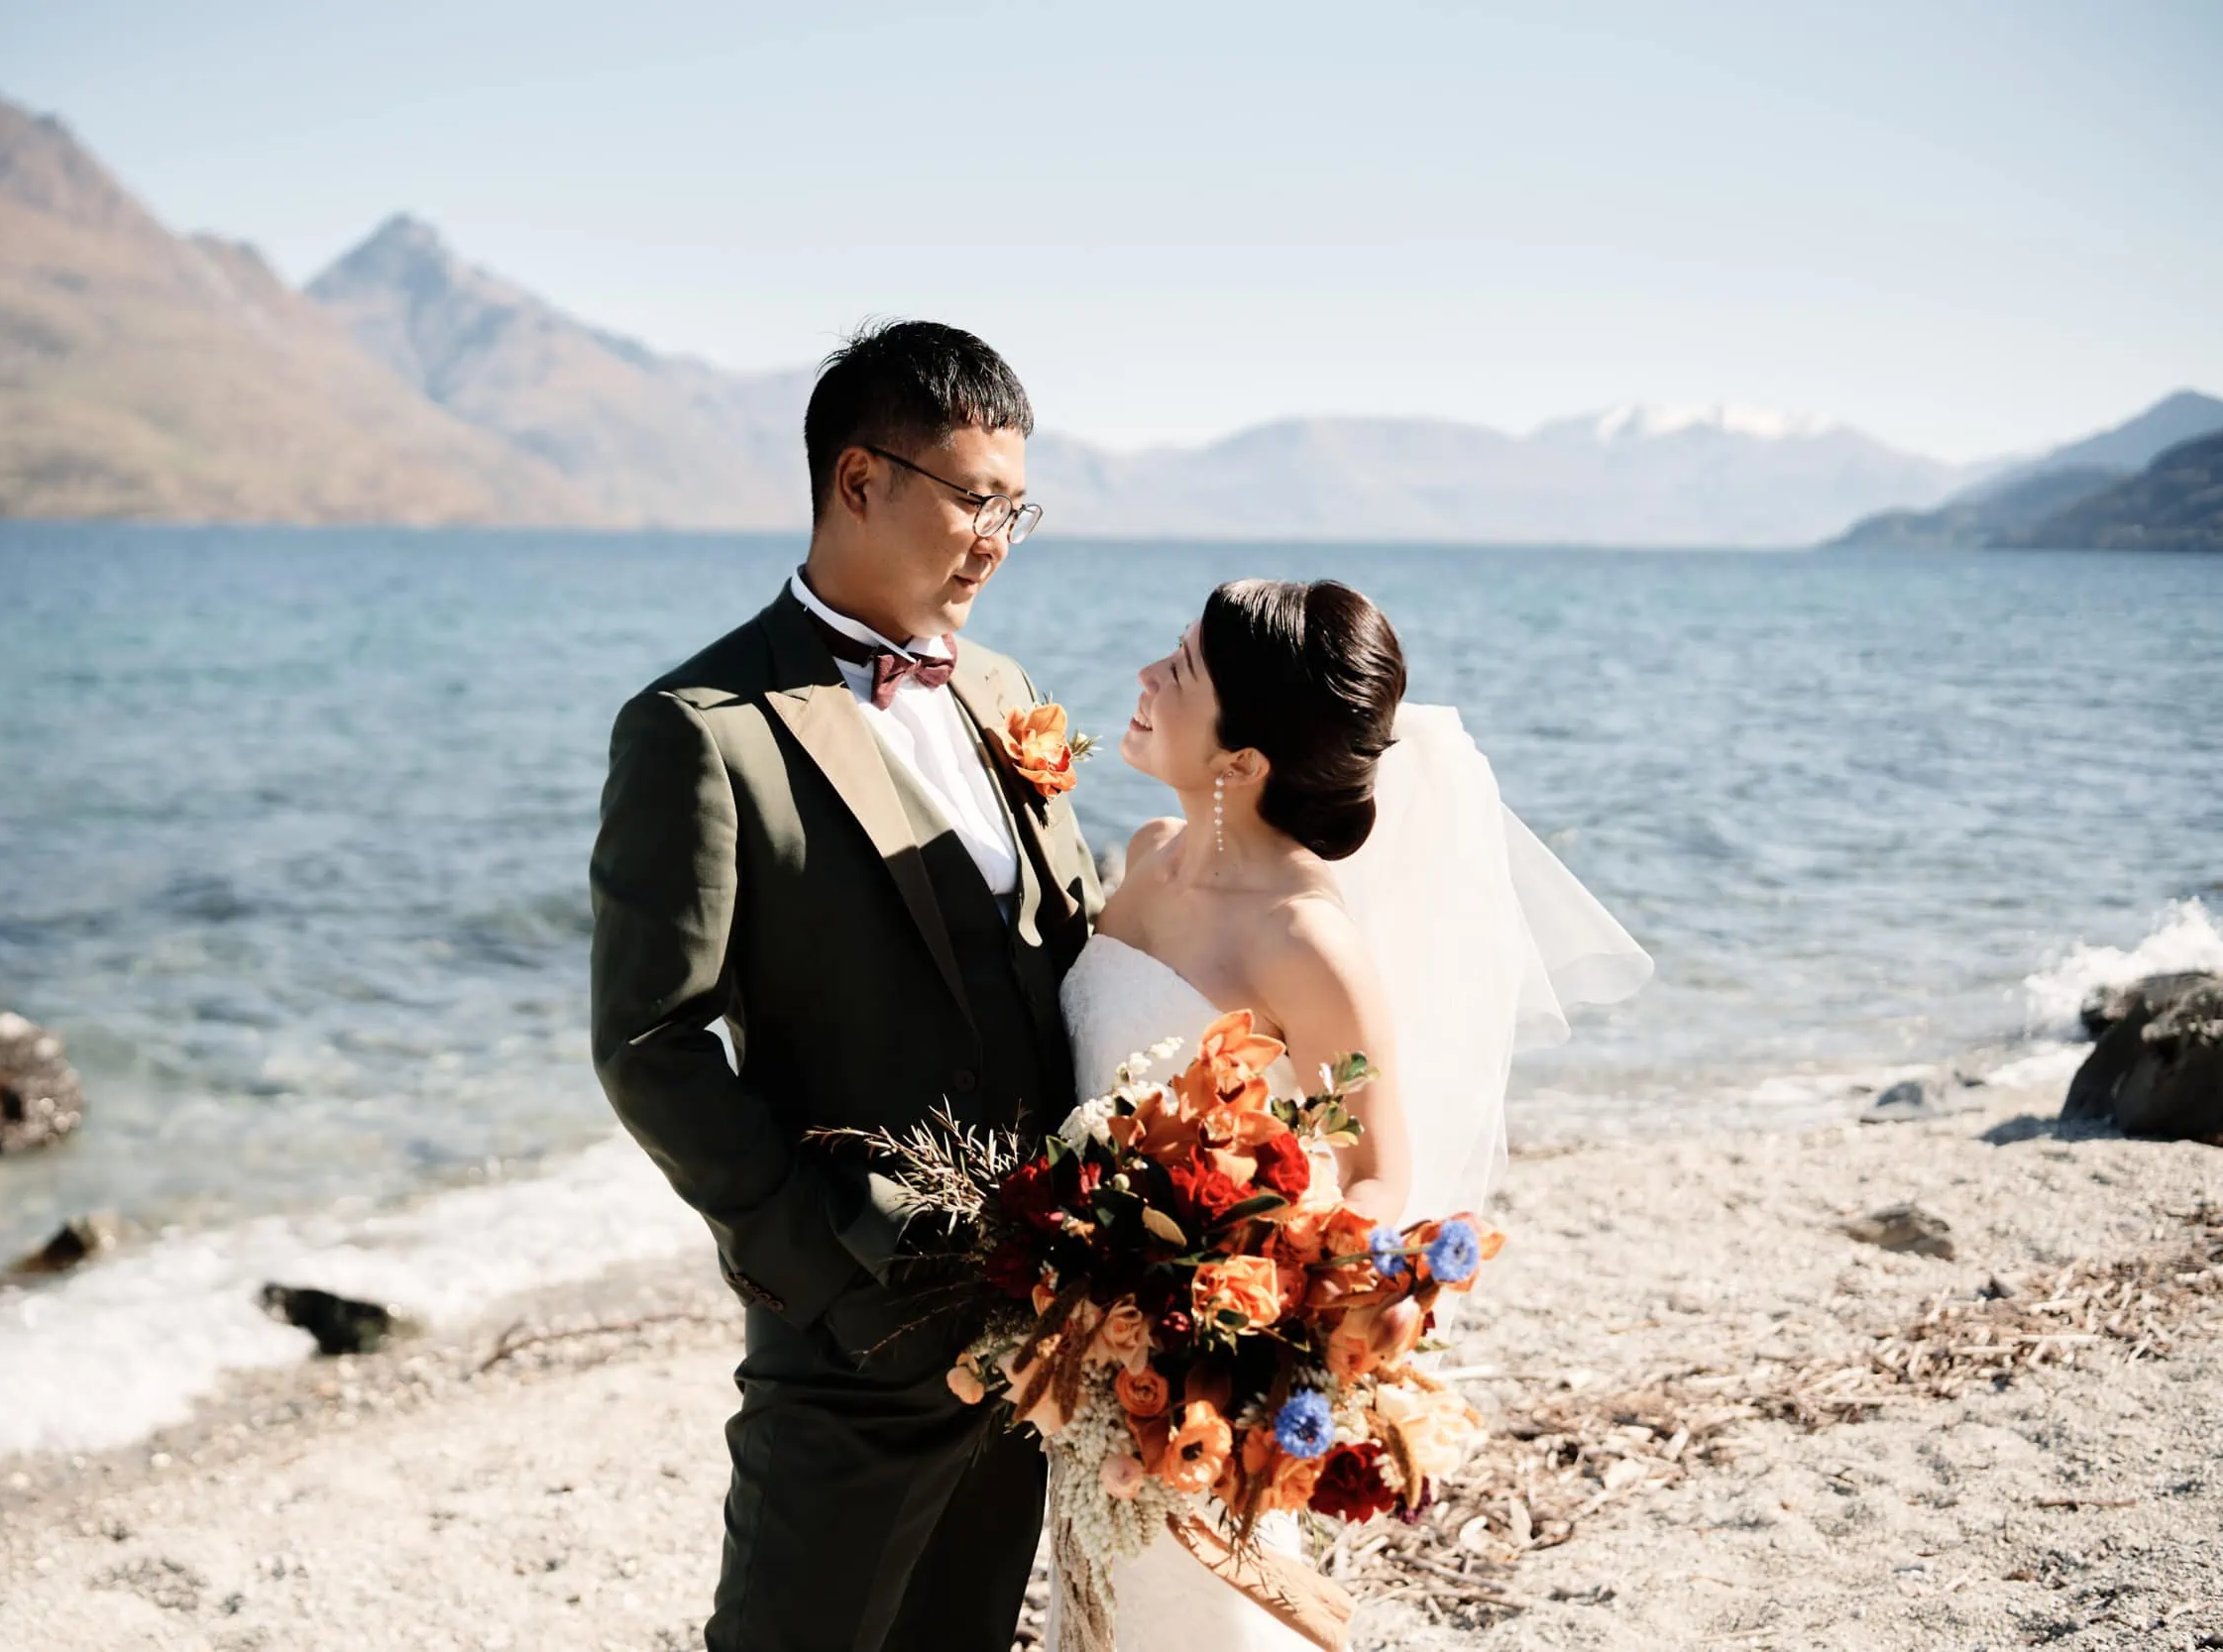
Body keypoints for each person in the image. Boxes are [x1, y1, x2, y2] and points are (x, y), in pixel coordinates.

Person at [590, 319, 1102, 1652]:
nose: (995, 536)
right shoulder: (702, 728)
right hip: (855, 1333)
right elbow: (651, 1036)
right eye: (972, 499)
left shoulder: (1001, 690)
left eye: (1015, 506)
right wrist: (812, 1259)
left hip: (1045, 1319)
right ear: (858, 480)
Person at [1056, 577, 1651, 1649]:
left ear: (1243, 761)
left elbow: (1380, 1171)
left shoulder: (1304, 938)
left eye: (1180, 669)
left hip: (1201, 1391)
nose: (1145, 676)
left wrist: (1237, 1325)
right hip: (1098, 1364)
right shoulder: (1145, 855)